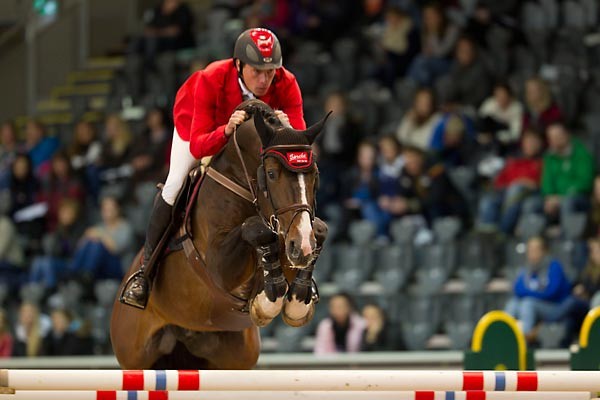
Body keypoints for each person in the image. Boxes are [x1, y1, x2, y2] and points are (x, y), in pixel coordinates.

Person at [121, 28, 306, 309]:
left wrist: (289, 128)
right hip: (200, 126)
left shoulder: (287, 82)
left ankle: (302, 266)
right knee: (175, 184)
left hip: (248, 141)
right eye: (257, 71)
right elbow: (198, 146)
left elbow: (298, 147)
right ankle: (145, 273)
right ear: (239, 65)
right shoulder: (212, 79)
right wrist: (225, 130)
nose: (265, 79)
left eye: (270, 72)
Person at [523, 122, 594, 225]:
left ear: (567, 134)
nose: (555, 139)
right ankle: (532, 238)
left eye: (558, 135)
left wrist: (561, 198)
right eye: (552, 137)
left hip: (579, 198)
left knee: (568, 202)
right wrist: (549, 198)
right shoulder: (549, 157)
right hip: (554, 200)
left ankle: (568, 240)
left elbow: (585, 182)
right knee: (531, 204)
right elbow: (546, 183)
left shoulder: (582, 153)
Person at [505, 236, 573, 342]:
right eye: (530, 250)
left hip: (554, 307)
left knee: (527, 303)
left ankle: (524, 339)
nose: (532, 253)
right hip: (536, 303)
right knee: (512, 303)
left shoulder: (554, 266)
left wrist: (528, 293)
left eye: (536, 249)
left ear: (544, 251)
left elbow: (551, 293)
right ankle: (505, 335)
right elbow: (517, 288)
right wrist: (534, 293)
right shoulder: (527, 268)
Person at [477, 130, 543, 234]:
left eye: (533, 142)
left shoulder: (542, 162)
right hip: (507, 193)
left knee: (516, 188)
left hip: (530, 194)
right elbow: (499, 183)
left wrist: (526, 183)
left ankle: (503, 232)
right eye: (528, 142)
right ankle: (488, 234)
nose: (530, 145)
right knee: (488, 200)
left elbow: (543, 184)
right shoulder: (513, 161)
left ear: (539, 144)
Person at [390, 145, 469, 227]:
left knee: (433, 208)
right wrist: (398, 202)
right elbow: (403, 191)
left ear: (420, 157)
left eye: (413, 159)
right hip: (422, 208)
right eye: (407, 161)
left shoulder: (435, 169)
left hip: (448, 209)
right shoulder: (405, 172)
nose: (410, 164)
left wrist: (411, 205)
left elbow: (436, 196)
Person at [68, 196, 134, 283]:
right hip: (100, 267)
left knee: (96, 245)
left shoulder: (125, 227)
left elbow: (116, 249)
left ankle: (87, 274)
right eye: (105, 209)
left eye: (111, 208)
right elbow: (79, 247)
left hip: (118, 267)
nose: (107, 212)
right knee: (90, 242)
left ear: (118, 209)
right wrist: (86, 236)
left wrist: (100, 235)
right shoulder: (100, 227)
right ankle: (74, 272)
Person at [407, 3, 459, 86]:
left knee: (420, 61)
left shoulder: (452, 29)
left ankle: (416, 86)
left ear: (440, 15)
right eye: (426, 17)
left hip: (450, 63)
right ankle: (414, 86)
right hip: (432, 61)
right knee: (420, 62)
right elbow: (425, 52)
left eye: (431, 16)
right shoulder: (426, 30)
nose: (428, 19)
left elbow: (441, 53)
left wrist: (433, 32)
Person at [441, 36, 492, 109]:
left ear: (474, 51)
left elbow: (480, 98)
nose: (465, 54)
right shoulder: (455, 67)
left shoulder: (481, 71)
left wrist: (459, 106)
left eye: (468, 50)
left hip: (473, 109)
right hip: (456, 107)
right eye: (461, 50)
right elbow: (452, 91)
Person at [478, 83, 523, 148]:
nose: (501, 98)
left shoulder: (517, 108)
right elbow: (480, 124)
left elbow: (515, 134)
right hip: (489, 136)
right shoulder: (489, 104)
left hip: (507, 140)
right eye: (498, 95)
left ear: (509, 95)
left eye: (503, 94)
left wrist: (496, 137)